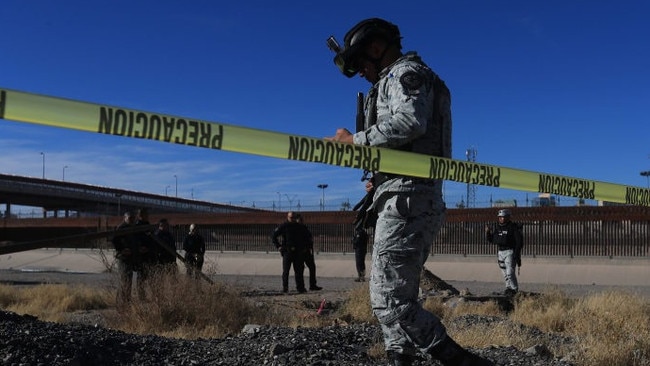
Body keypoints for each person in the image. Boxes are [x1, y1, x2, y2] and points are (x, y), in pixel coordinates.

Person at [326, 18, 493, 365]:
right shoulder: (395, 78)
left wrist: (355, 141)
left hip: (409, 198)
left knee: (389, 299)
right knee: (398, 292)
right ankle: (399, 357)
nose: (360, 73)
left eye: (361, 63)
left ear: (376, 48)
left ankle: (464, 361)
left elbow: (411, 121)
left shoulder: (406, 74)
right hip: (401, 193)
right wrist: (379, 176)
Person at [485, 209, 523, 296]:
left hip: (510, 251)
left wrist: (516, 254)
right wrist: (488, 232)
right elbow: (492, 240)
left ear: (508, 217)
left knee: (510, 272)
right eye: (500, 217)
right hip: (500, 252)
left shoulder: (513, 227)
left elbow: (518, 242)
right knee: (505, 273)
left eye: (503, 217)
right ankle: (508, 288)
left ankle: (514, 289)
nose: (501, 219)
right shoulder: (497, 228)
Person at [271, 211, 309, 293]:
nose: (293, 219)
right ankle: (285, 288)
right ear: (287, 217)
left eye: (294, 217)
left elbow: (306, 237)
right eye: (291, 217)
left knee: (298, 271)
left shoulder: (299, 227)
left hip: (298, 252)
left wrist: (305, 248)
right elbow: (274, 236)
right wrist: (279, 246)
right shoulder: (284, 226)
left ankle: (300, 288)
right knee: (286, 271)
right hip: (287, 251)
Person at [111, 211, 137, 304]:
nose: (132, 220)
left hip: (130, 258)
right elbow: (114, 239)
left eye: (133, 218)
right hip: (124, 258)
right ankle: (121, 303)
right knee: (124, 281)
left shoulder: (132, 228)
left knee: (128, 281)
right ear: (125, 218)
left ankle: (126, 302)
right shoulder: (121, 227)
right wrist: (122, 250)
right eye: (130, 218)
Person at [295, 213, 322, 291]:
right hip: (300, 251)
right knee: (300, 269)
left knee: (312, 267)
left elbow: (309, 237)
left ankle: (312, 284)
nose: (301, 221)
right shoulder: (296, 229)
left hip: (307, 251)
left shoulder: (304, 227)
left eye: (302, 220)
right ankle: (301, 286)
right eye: (300, 219)